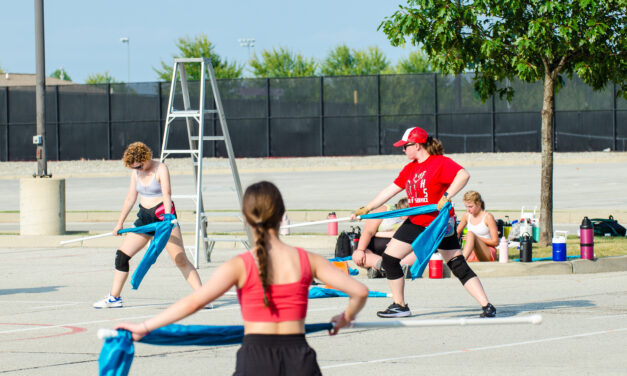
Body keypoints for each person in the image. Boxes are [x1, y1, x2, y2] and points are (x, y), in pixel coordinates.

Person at [116, 181, 369, 375]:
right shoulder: (308, 260)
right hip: (299, 358)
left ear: (247, 218)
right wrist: (346, 317)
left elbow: (194, 302)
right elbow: (360, 292)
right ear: (282, 215)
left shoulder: (239, 265)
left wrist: (145, 327)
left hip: (255, 359)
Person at [352, 126, 496, 318]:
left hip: (438, 224)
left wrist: (447, 195)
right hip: (416, 221)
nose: (403, 150)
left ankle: (487, 306)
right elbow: (390, 190)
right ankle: (400, 305)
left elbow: (463, 175)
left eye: (405, 146)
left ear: (417, 145)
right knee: (389, 259)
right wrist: (367, 208)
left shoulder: (440, 163)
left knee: (457, 264)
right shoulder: (410, 168)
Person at [93, 142, 202, 308]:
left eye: (140, 165)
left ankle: (203, 297)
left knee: (180, 259)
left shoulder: (161, 168)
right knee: (122, 256)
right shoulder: (136, 173)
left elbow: (167, 194)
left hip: (163, 217)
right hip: (144, 218)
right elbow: (130, 198)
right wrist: (119, 223)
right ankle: (114, 298)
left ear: (146, 158)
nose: (138, 169)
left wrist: (167, 219)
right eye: (135, 167)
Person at [352, 198, 415, 278]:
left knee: (422, 251)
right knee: (357, 255)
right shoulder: (385, 210)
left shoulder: (417, 216)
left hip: (403, 252)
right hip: (376, 252)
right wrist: (360, 250)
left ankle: (385, 270)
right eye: (403, 216)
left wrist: (381, 234)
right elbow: (368, 231)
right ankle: (385, 267)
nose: (404, 219)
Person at [456, 191, 499, 262]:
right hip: (472, 252)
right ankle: (461, 261)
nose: (468, 210)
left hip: (487, 252)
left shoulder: (488, 217)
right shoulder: (467, 216)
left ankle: (461, 263)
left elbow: (495, 242)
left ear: (479, 204)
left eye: (470, 206)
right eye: (466, 206)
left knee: (470, 234)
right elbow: (456, 233)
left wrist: (475, 238)